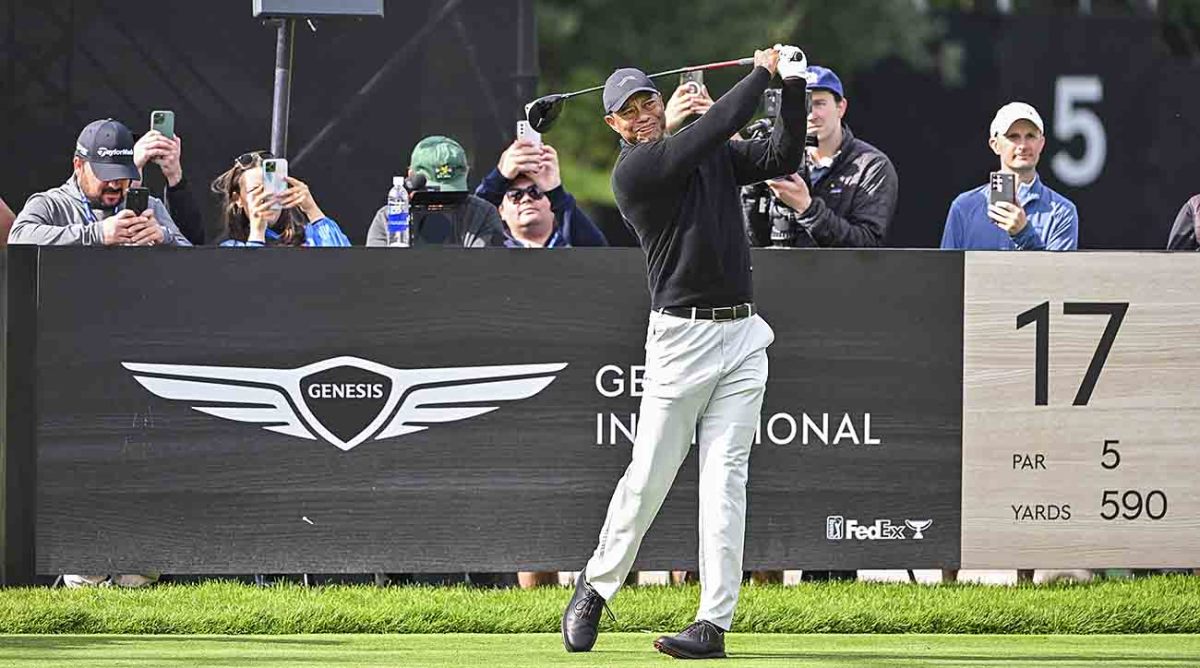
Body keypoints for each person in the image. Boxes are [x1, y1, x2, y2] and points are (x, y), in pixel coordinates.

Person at [561, 46, 806, 660]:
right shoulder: (635, 172)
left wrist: (793, 86)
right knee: (649, 477)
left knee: (726, 481)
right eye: (629, 111)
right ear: (614, 124)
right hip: (681, 338)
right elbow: (709, 131)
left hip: (743, 335)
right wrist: (760, 72)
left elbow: (781, 156)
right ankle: (596, 586)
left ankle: (712, 623)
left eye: (647, 101)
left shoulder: (708, 151)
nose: (641, 114)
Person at [754, 65, 898, 248]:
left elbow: (867, 246)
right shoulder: (778, 160)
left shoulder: (871, 166)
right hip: (777, 265)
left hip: (838, 268)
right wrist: (752, 188)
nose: (811, 115)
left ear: (841, 107)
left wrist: (806, 207)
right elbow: (750, 243)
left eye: (819, 103)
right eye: (802, 104)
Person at [8, 119, 191, 247]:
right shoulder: (53, 204)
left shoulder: (149, 207)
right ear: (78, 165)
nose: (114, 185)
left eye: (122, 175)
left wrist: (164, 237)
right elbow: (18, 237)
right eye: (106, 175)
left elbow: (193, 259)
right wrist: (97, 234)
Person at [939, 102, 1078, 251]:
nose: (1023, 145)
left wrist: (1023, 233)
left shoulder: (1062, 212)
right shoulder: (964, 207)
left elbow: (1058, 267)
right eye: (1013, 136)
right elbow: (947, 266)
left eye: (1030, 136)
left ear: (1041, 144)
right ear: (995, 145)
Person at [366, 135, 506, 247]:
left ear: (467, 174)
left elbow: (486, 267)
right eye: (431, 194)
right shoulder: (389, 217)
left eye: (451, 195)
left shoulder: (482, 214)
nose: (440, 202)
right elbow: (378, 268)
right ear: (410, 176)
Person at [475, 139, 607, 248]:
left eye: (535, 192)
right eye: (515, 195)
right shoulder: (490, 246)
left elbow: (598, 252)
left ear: (552, 202)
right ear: (501, 211)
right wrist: (500, 176)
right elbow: (469, 223)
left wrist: (555, 190)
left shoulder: (573, 243)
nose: (526, 199)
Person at [211, 151, 350, 247]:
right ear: (238, 199)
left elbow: (343, 265)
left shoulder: (310, 236)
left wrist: (312, 210)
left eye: (273, 187)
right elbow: (249, 278)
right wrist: (257, 234)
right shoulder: (231, 248)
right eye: (256, 190)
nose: (267, 197)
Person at [134, 130, 206, 245]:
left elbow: (192, 247)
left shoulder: (153, 206)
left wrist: (165, 237)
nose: (114, 184)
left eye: (135, 170)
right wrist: (103, 235)